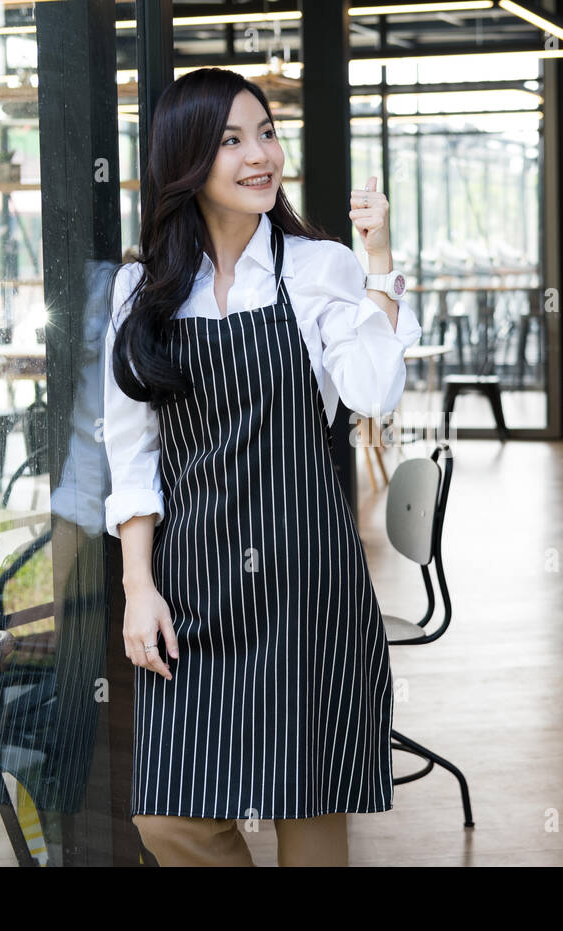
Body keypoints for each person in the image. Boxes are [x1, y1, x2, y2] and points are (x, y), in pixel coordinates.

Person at [102, 67, 422, 866]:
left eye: (267, 134)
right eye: (232, 140)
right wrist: (138, 588)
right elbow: (131, 450)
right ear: (186, 160)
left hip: (303, 579)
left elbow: (372, 390)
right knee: (170, 816)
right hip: (192, 583)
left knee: (306, 809)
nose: (260, 156)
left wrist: (377, 266)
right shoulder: (141, 288)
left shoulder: (317, 268)